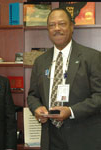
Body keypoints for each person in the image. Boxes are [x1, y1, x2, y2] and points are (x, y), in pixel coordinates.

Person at [27, 8, 101, 150]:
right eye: (52, 25)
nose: (57, 29)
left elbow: (99, 96)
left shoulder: (92, 57)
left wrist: (71, 111)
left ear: (71, 27)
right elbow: (32, 96)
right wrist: (36, 108)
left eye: (62, 24)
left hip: (83, 137)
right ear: (47, 29)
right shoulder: (40, 61)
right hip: (51, 137)